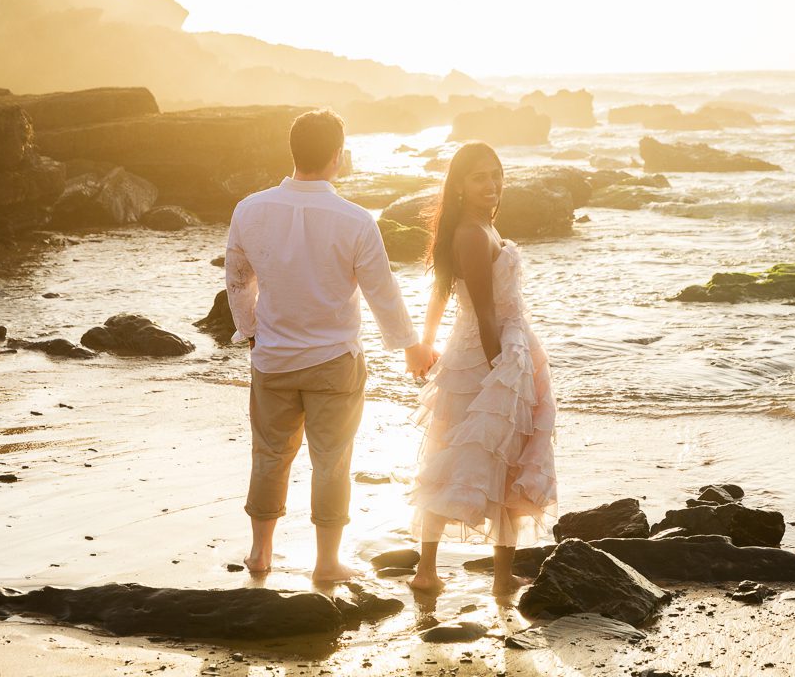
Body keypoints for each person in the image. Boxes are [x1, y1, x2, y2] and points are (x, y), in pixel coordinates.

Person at [225, 108, 435, 582]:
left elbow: (238, 278)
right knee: (332, 462)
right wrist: (410, 347)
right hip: (334, 361)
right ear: (338, 156)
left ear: (293, 151)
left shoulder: (251, 209)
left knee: (269, 456)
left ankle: (260, 553)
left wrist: (251, 330)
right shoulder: (355, 219)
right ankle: (325, 563)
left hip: (273, 358)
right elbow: (382, 290)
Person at [408, 141, 558, 596]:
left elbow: (439, 291)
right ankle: (427, 570)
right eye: (479, 177)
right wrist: (500, 370)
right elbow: (484, 309)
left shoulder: (481, 227)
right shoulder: (471, 234)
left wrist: (428, 341)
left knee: (506, 458)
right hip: (484, 357)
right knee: (457, 457)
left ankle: (498, 575)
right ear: (459, 185)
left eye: (496, 174)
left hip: (506, 347)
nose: (491, 184)